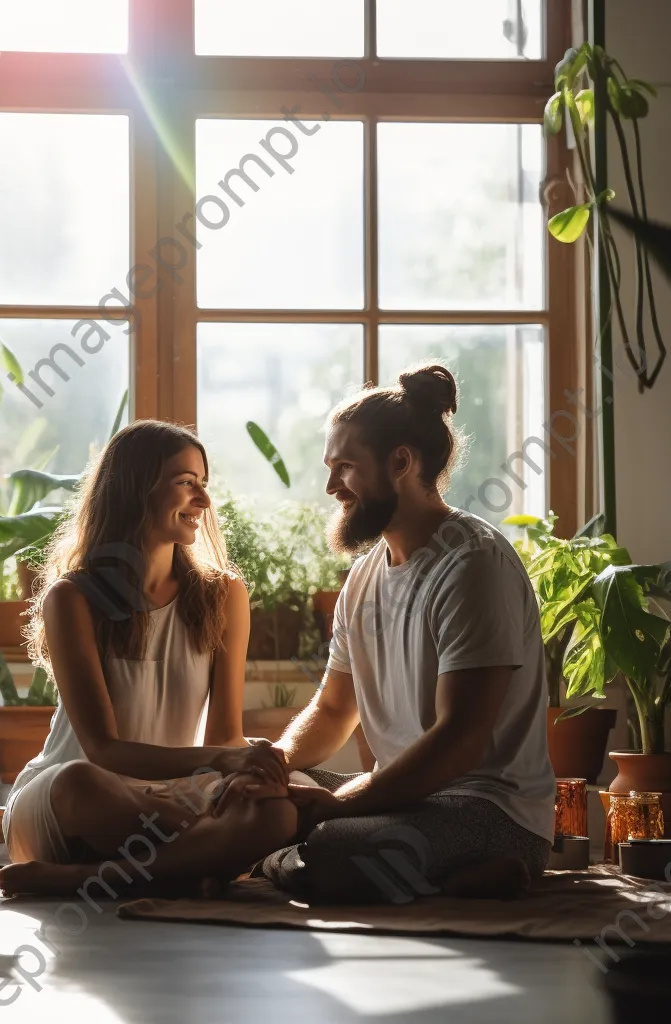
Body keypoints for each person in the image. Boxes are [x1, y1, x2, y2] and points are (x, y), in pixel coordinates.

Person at [216, 365, 556, 903]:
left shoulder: (473, 564)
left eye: (345, 467)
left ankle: (293, 860)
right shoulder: (364, 575)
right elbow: (332, 710)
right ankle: (446, 882)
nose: (331, 487)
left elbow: (460, 741)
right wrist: (276, 762)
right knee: (241, 796)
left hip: (485, 809)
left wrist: (344, 806)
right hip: (401, 801)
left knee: (334, 846)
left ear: (401, 462)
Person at [0, 421, 298, 897]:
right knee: (82, 781)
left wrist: (244, 770)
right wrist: (224, 761)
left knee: (280, 807)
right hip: (72, 797)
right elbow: (103, 750)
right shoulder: (73, 598)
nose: (203, 501)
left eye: (204, 485)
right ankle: (198, 861)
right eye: (186, 484)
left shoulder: (224, 595)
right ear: (136, 490)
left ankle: (91, 879)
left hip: (173, 796)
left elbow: (225, 735)